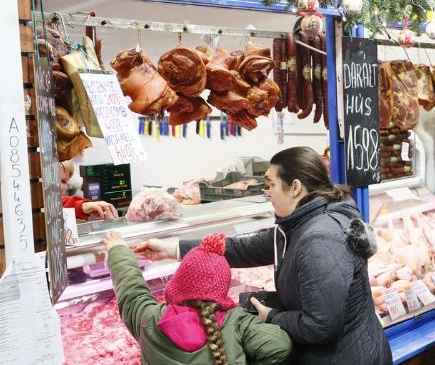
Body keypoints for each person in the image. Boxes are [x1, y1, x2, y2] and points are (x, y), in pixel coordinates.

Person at [133, 146, 392, 365]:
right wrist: (174, 248)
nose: (266, 193)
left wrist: (271, 317)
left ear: (295, 187)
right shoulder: (301, 224)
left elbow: (320, 326)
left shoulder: (319, 239)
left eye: (270, 184)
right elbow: (246, 247)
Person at [102, 231, 292, 364]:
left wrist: (118, 250)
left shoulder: (149, 318)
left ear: (178, 282)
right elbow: (280, 346)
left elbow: (131, 289)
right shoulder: (238, 322)